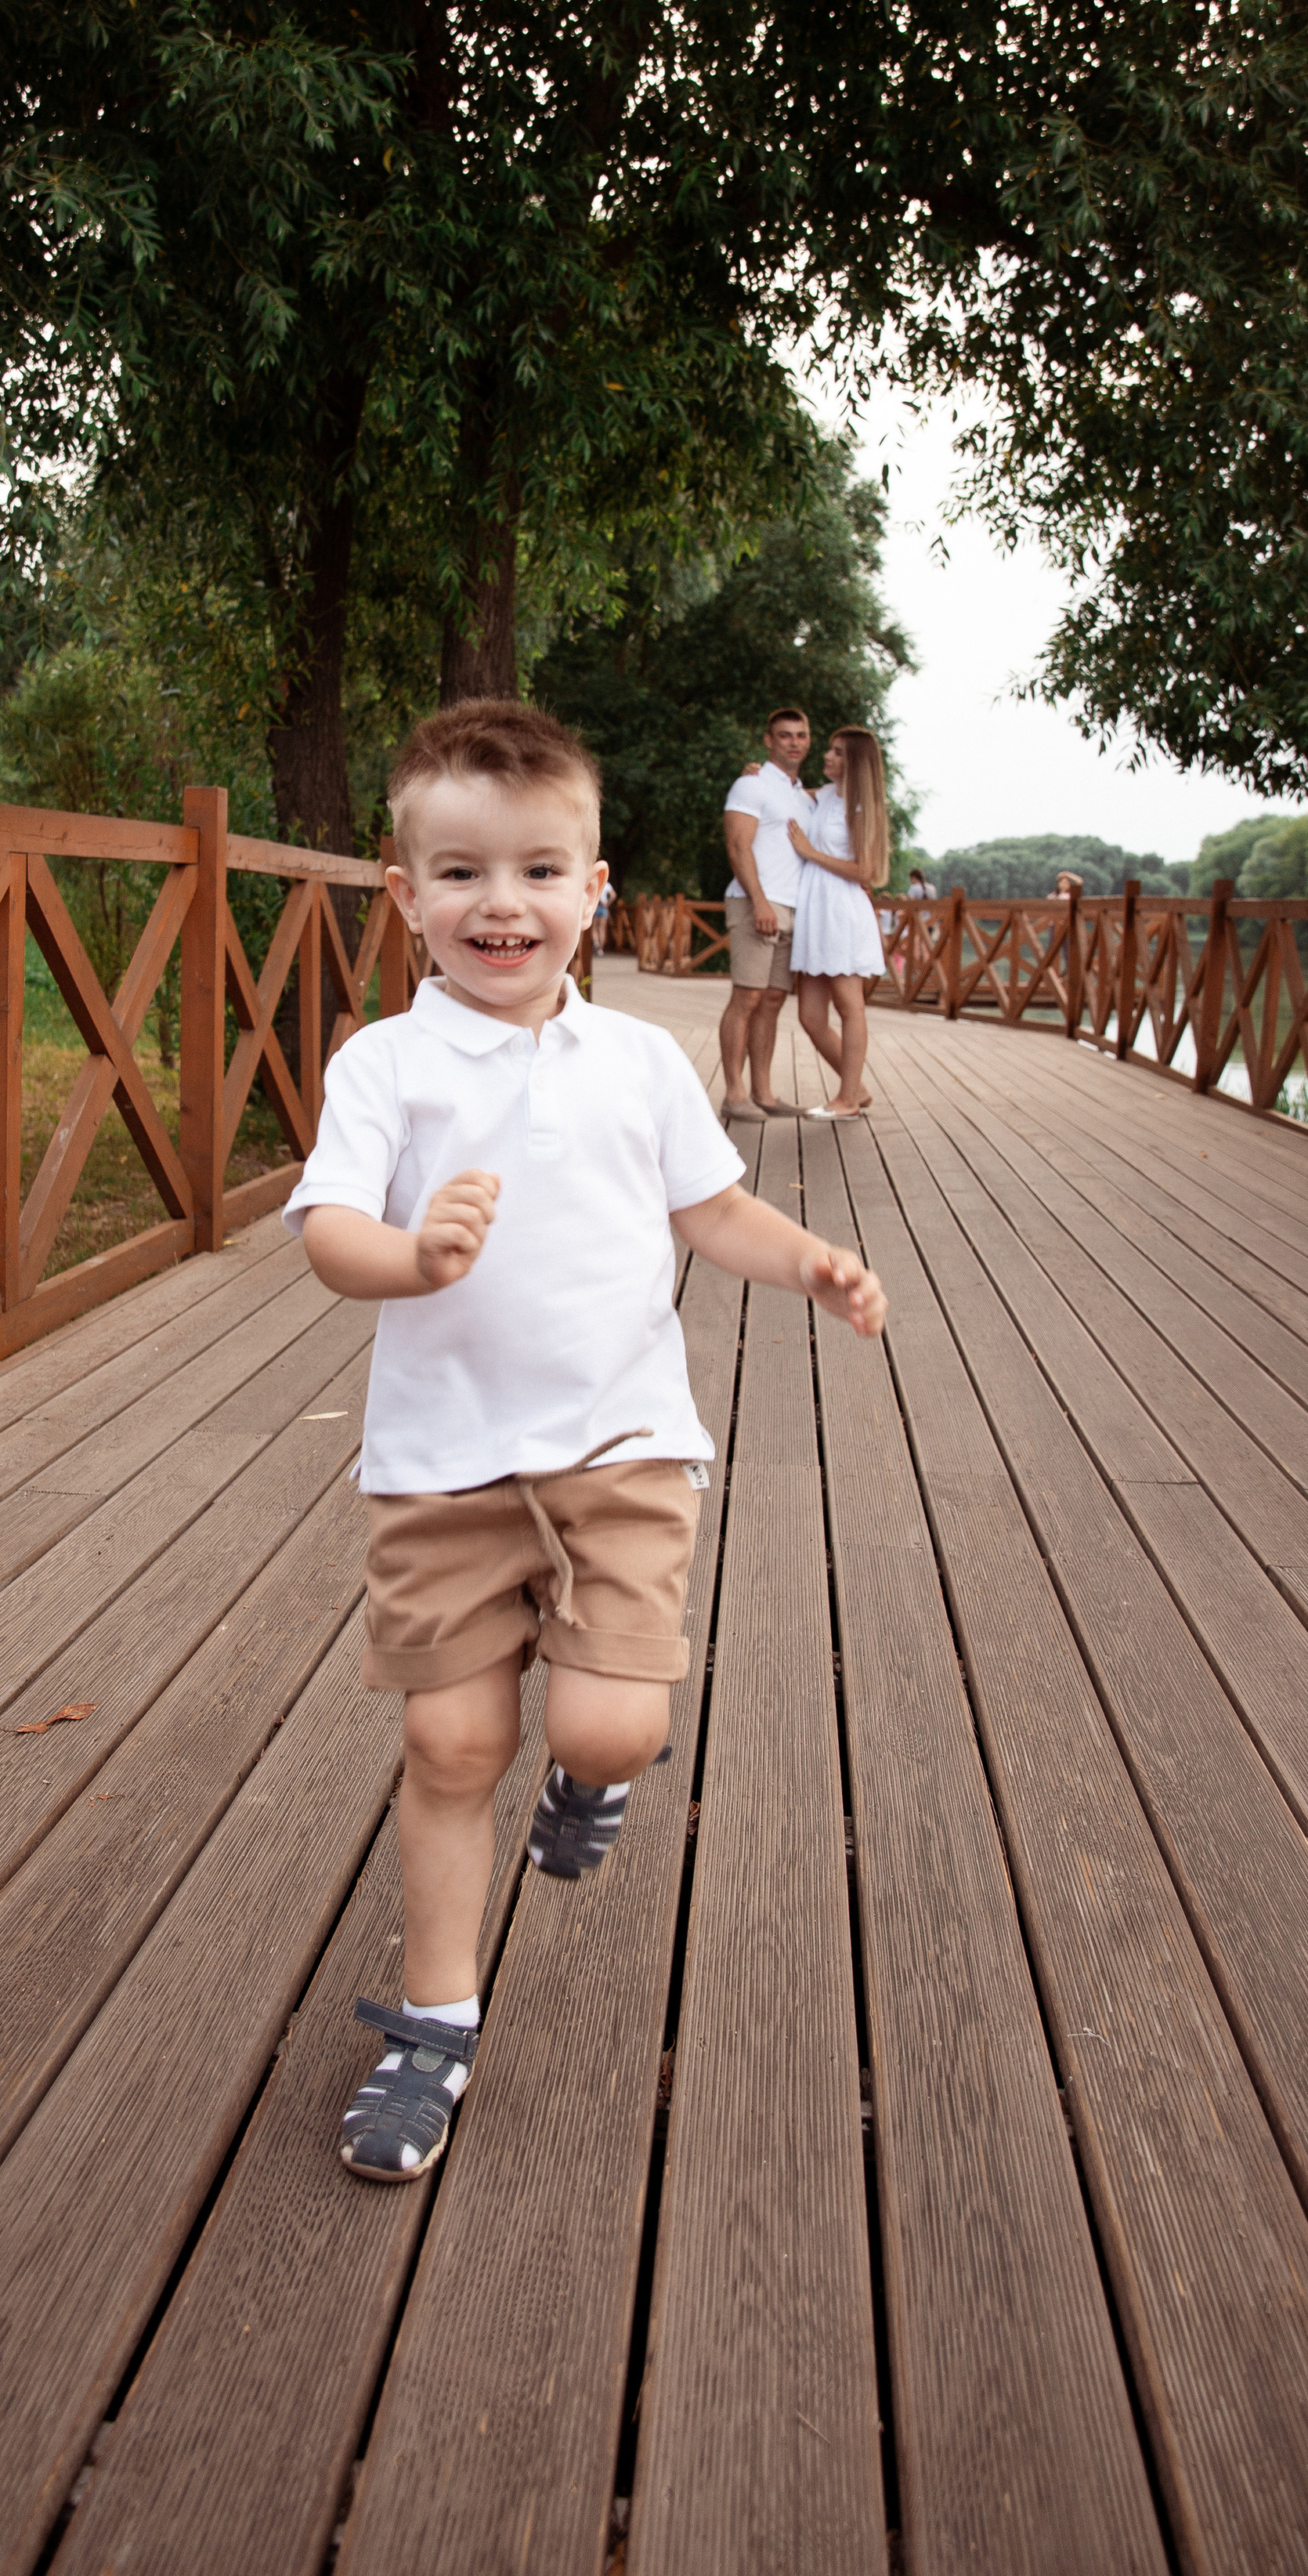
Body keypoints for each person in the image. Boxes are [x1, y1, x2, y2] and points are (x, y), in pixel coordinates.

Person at [287, 697, 888, 2183]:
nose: (506, 906)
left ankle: (594, 1775)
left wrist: (807, 1259)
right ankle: (433, 2026)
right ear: (405, 890)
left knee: (611, 1725)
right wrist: (412, 1256)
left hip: (621, 1449)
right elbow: (328, 1232)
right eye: (466, 873)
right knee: (449, 1740)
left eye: (542, 873)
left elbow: (709, 1210)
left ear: (595, 888)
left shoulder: (636, 1064)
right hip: (446, 1467)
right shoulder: (386, 1066)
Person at [787, 727, 891, 1119]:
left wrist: (810, 853)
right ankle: (857, 1089)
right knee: (810, 1016)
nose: (827, 757)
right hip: (816, 910)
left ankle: (846, 1099)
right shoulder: (825, 796)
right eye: (829, 750)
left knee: (850, 1005)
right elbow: (790, 793)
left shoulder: (861, 807)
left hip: (842, 910)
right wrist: (756, 773)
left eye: (837, 753)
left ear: (856, 763)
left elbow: (865, 870)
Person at [719, 706, 818, 1118]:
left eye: (800, 735)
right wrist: (758, 900)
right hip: (756, 901)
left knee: (774, 999)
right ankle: (734, 1094)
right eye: (784, 735)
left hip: (794, 906)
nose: (793, 742)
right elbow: (738, 846)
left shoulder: (804, 797)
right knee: (748, 996)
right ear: (768, 740)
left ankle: (764, 1093)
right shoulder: (751, 785)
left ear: (808, 740)